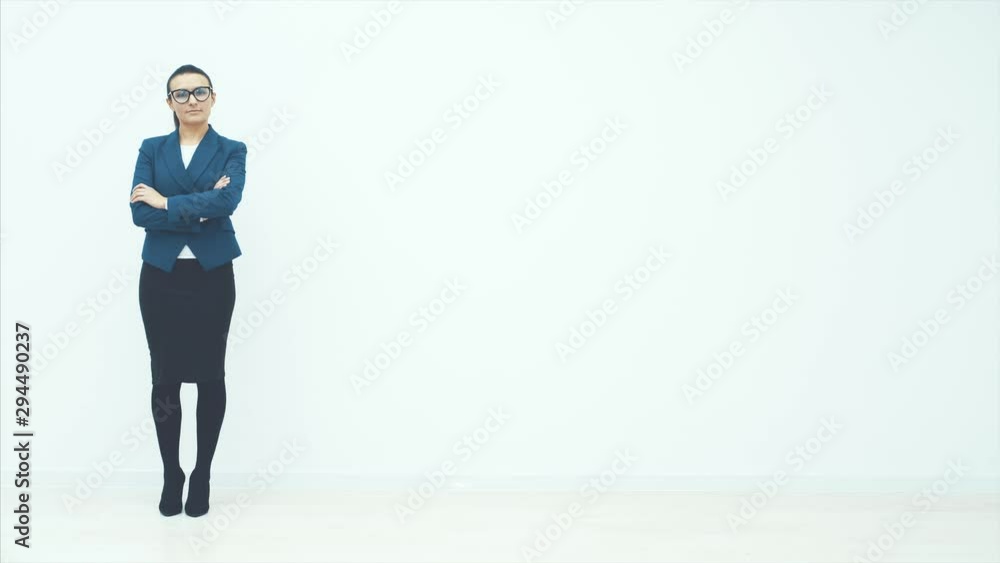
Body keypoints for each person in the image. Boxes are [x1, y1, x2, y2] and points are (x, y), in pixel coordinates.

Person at [129, 63, 248, 517]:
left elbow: (228, 200)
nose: (192, 100)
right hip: (160, 276)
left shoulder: (232, 149)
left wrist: (166, 201)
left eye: (200, 91)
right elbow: (140, 215)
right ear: (169, 102)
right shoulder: (151, 149)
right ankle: (171, 474)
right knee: (165, 377)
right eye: (181, 93)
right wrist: (201, 208)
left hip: (212, 275)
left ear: (213, 97)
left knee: (210, 375)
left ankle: (202, 474)